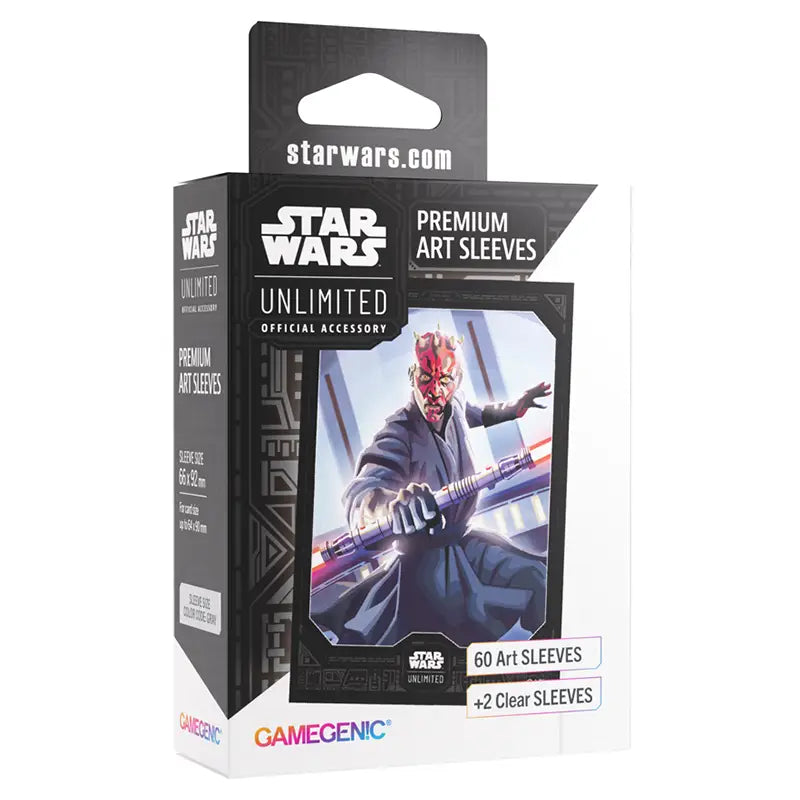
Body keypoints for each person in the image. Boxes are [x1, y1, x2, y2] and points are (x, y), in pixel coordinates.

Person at [314, 329, 552, 646]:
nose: (435, 392)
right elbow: (363, 492)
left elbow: (477, 413)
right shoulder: (399, 431)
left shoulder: (455, 404)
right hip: (426, 565)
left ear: (457, 381)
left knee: (537, 579)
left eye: (445, 381)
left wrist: (513, 408)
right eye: (426, 378)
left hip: (466, 543)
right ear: (413, 375)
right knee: (455, 626)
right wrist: (392, 507)